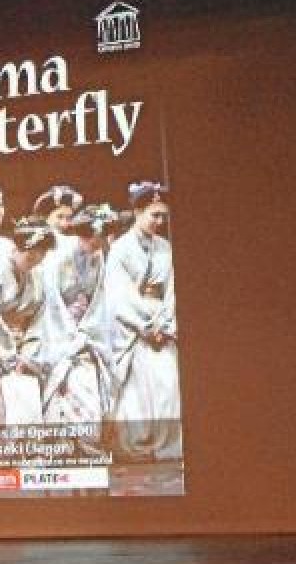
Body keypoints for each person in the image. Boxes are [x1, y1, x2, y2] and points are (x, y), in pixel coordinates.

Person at [105, 182, 181, 463]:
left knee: (169, 380)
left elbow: (173, 289)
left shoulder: (166, 248)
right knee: (139, 383)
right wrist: (145, 326)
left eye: (163, 216)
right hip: (135, 324)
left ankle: (168, 445)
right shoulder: (120, 249)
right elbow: (118, 293)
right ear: (137, 211)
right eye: (154, 215)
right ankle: (137, 444)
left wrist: (165, 324)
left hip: (162, 316)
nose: (159, 222)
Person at [38, 203, 120, 457]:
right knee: (63, 374)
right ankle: (60, 445)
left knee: (87, 376)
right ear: (84, 234)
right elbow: (50, 300)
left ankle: (86, 444)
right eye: (95, 239)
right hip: (57, 330)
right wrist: (69, 332)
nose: (98, 245)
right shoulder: (58, 255)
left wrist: (85, 330)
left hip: (86, 330)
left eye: (101, 240)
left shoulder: (98, 257)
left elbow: (98, 300)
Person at [0, 217, 56, 427]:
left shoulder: (38, 275)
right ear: (17, 247)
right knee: (4, 387)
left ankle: (29, 449)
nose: (37, 257)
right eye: (32, 251)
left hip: (23, 347)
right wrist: (8, 356)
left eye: (42, 252)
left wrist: (27, 355)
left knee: (33, 380)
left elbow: (39, 322)